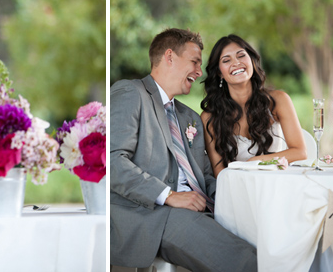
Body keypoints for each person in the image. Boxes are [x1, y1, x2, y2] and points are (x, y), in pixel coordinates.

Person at [110, 28, 257, 271]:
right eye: (194, 62)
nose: (199, 72)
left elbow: (206, 176)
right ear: (169, 57)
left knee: (266, 242)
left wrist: (236, 200)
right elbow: (114, 161)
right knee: (245, 261)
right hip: (154, 215)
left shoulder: (189, 117)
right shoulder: (131, 93)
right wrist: (169, 195)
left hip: (204, 210)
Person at [201, 34, 306, 177]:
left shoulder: (278, 100)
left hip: (276, 185)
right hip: (237, 189)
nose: (236, 63)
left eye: (241, 56)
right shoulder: (209, 117)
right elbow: (219, 173)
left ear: (251, 60)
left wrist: (255, 162)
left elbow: (299, 152)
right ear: (219, 73)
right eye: (226, 60)